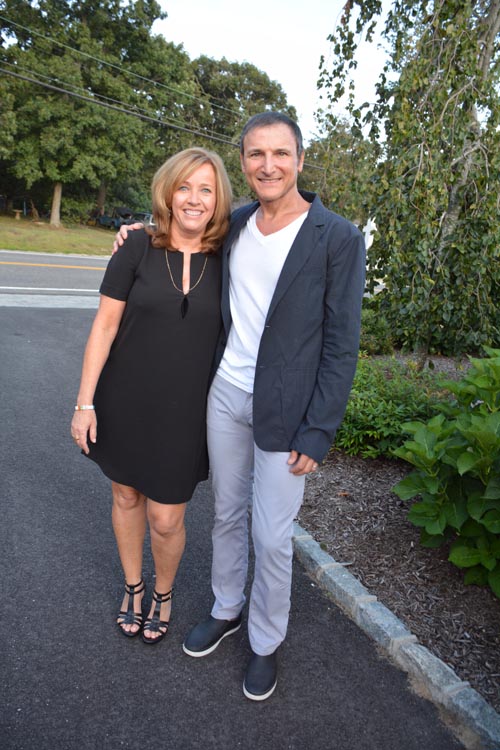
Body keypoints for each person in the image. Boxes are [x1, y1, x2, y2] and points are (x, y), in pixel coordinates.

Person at [116, 112, 365, 697]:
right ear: (246, 162)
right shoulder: (238, 223)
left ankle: (265, 641)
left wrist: (319, 430)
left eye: (281, 154)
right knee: (227, 514)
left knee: (273, 536)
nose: (269, 165)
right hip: (225, 393)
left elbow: (342, 342)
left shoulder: (338, 237)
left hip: (290, 409)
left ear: (301, 160)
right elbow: (179, 229)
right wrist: (133, 230)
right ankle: (226, 608)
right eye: (257, 154)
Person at [71, 147, 232, 645]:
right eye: (184, 186)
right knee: (125, 494)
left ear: (218, 198)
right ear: (167, 191)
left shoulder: (230, 256)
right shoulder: (136, 248)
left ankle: (164, 593)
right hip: (125, 400)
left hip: (187, 413)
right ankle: (134, 587)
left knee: (166, 517)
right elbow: (104, 326)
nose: (193, 199)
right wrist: (84, 403)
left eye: (206, 189)